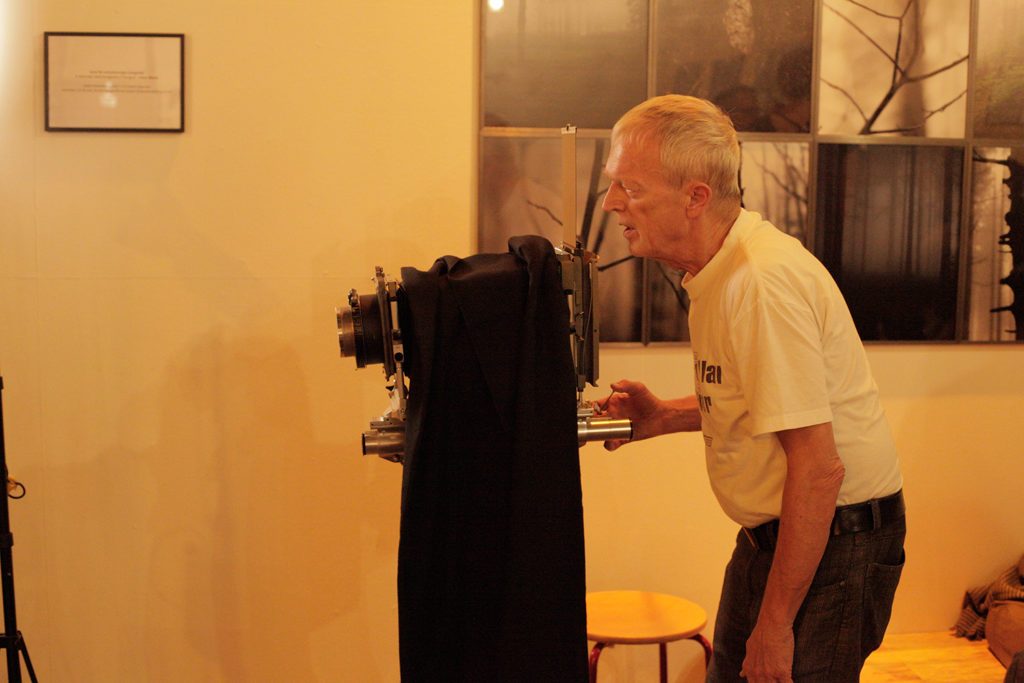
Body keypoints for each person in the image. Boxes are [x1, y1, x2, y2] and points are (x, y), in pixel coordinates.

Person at [597, 94, 905, 683]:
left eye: (629, 187)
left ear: (695, 198)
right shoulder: (716, 271)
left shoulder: (762, 283)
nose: (612, 202)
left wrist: (776, 625)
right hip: (777, 534)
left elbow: (819, 469)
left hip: (837, 540)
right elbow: (761, 398)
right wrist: (663, 417)